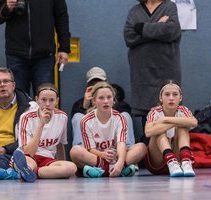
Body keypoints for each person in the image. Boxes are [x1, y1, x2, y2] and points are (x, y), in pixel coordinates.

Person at [124, 0, 181, 135]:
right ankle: (150, 152)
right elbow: (129, 37)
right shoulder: (134, 11)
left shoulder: (170, 7)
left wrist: (142, 28)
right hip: (142, 71)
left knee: (169, 107)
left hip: (167, 69)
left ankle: (169, 151)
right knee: (147, 115)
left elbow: (171, 31)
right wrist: (158, 27)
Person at [0, 0, 71, 96]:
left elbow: (61, 17)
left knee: (45, 98)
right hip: (16, 55)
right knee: (20, 100)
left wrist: (64, 48)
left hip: (44, 56)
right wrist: (7, 8)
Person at [70, 82, 147, 178]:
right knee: (75, 151)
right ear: (94, 100)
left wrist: (120, 162)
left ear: (114, 100)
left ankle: (103, 171)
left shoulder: (120, 118)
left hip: (116, 155)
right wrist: (102, 154)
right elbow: (91, 149)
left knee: (141, 147)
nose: (106, 101)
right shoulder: (86, 120)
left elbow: (121, 144)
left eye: (109, 97)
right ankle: (119, 170)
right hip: (97, 156)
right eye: (101, 98)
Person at [11, 83, 77, 182]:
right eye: (43, 100)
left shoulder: (62, 117)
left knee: (71, 167)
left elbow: (60, 145)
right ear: (37, 99)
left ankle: (30, 173)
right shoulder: (26, 117)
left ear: (57, 101)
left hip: (47, 160)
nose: (47, 104)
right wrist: (41, 124)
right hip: (28, 157)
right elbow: (28, 152)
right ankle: (27, 169)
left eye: (51, 100)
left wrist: (62, 166)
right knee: (27, 163)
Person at [144, 80, 197, 177]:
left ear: (180, 98)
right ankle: (171, 161)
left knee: (183, 128)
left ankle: (186, 161)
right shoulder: (155, 112)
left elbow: (194, 122)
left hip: (178, 159)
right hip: (157, 161)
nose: (171, 98)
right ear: (161, 98)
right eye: (167, 94)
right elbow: (148, 132)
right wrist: (177, 121)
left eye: (175, 94)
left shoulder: (183, 110)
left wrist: (165, 119)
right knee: (158, 131)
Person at [71, 67, 135, 147]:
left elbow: (126, 110)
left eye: (99, 82)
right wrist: (85, 105)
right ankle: (82, 149)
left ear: (106, 83)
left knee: (125, 115)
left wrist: (109, 102)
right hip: (92, 144)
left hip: (114, 141)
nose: (97, 85)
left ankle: (126, 148)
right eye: (93, 83)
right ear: (88, 85)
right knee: (77, 116)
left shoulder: (113, 98)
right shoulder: (80, 103)